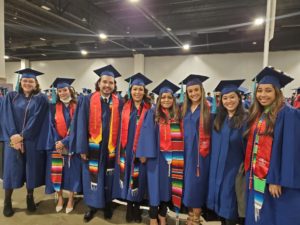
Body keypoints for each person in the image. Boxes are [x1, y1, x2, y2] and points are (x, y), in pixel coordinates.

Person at [244, 67, 300, 225]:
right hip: (258, 174)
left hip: (275, 179)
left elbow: (291, 152)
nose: (262, 95)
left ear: (277, 92)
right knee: (260, 214)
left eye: (268, 90)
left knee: (274, 216)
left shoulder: (288, 114)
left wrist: (277, 180)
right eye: (260, 90)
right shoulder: (261, 114)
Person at [69, 65, 123, 222]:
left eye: (111, 83)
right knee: (92, 178)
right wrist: (82, 148)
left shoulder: (118, 102)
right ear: (99, 83)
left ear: (114, 85)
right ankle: (92, 207)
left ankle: (107, 204)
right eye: (104, 82)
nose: (107, 85)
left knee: (108, 177)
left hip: (111, 148)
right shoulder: (86, 100)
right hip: (93, 147)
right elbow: (80, 125)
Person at [1, 68, 49, 217]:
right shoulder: (11, 97)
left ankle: (30, 198)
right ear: (20, 82)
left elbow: (37, 120)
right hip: (12, 141)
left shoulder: (41, 99)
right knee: (11, 170)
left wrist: (22, 136)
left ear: (36, 83)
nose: (28, 83)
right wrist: (14, 137)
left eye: (31, 81)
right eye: (25, 80)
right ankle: (7, 201)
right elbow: (6, 117)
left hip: (31, 141)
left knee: (31, 171)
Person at [136, 79, 183, 225]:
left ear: (173, 99)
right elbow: (145, 133)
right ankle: (152, 217)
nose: (166, 100)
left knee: (167, 190)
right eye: (163, 97)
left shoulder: (177, 115)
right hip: (156, 157)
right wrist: (144, 154)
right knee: (154, 189)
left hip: (172, 159)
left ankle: (162, 215)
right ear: (159, 98)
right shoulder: (152, 113)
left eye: (169, 97)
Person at [113, 73, 152, 223]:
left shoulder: (149, 108)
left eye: (140, 89)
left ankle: (137, 206)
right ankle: (130, 206)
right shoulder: (124, 107)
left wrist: (146, 151)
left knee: (139, 178)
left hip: (141, 149)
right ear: (130, 90)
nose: (137, 92)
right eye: (135, 89)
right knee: (127, 175)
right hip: (125, 148)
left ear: (144, 91)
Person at [207, 80, 247, 225]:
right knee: (221, 208)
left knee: (231, 207)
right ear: (220, 100)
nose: (229, 101)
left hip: (234, 171)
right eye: (225, 98)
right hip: (217, 171)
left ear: (239, 98)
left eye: (232, 97)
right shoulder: (218, 120)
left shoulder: (245, 120)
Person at [44, 78, 82, 214]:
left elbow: (78, 128)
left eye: (64, 90)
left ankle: (71, 199)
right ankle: (60, 198)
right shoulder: (52, 107)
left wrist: (65, 141)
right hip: (57, 146)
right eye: (59, 91)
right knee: (57, 172)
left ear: (70, 90)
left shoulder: (77, 106)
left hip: (73, 145)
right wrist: (57, 142)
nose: (62, 93)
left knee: (73, 173)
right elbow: (50, 126)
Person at [180, 74, 211, 225]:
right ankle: (190, 215)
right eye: (190, 91)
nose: (193, 93)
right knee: (187, 183)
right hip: (185, 152)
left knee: (196, 184)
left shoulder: (208, 109)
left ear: (202, 90)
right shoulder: (184, 109)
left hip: (200, 154)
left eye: (196, 90)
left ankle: (196, 218)